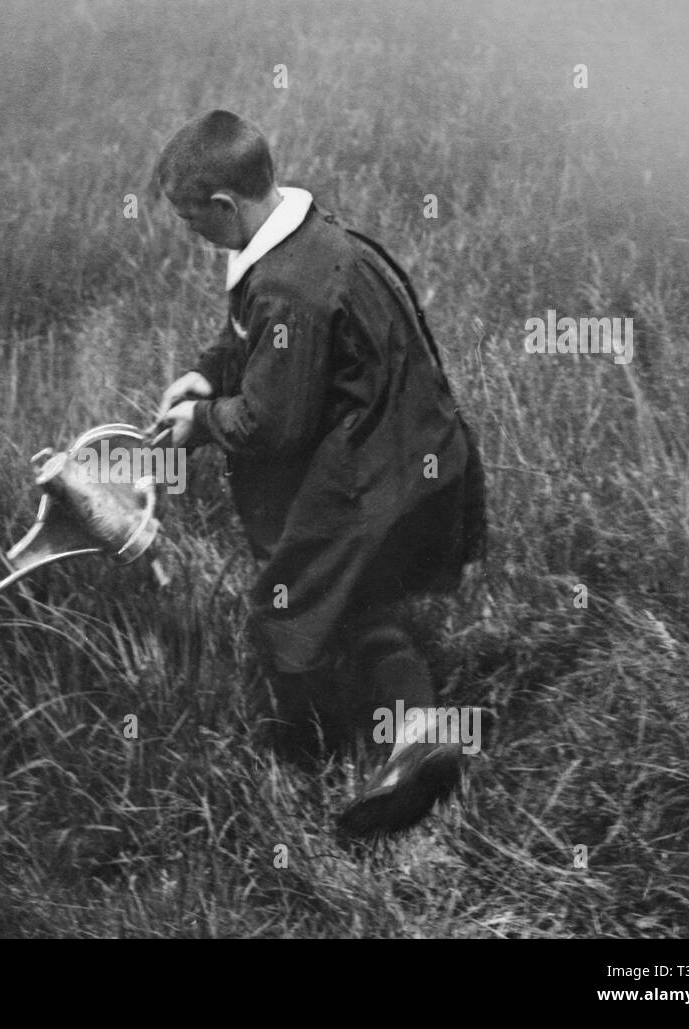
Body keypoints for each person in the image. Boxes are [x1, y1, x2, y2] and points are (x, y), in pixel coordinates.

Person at [152, 110, 487, 842]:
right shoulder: (298, 238)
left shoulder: (292, 288)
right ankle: (423, 736)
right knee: (365, 600)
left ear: (224, 207)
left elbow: (276, 424)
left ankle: (305, 757)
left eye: (191, 222)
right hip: (413, 449)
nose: (192, 237)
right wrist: (209, 373)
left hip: (380, 467)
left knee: (285, 604)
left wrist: (201, 425)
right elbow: (250, 339)